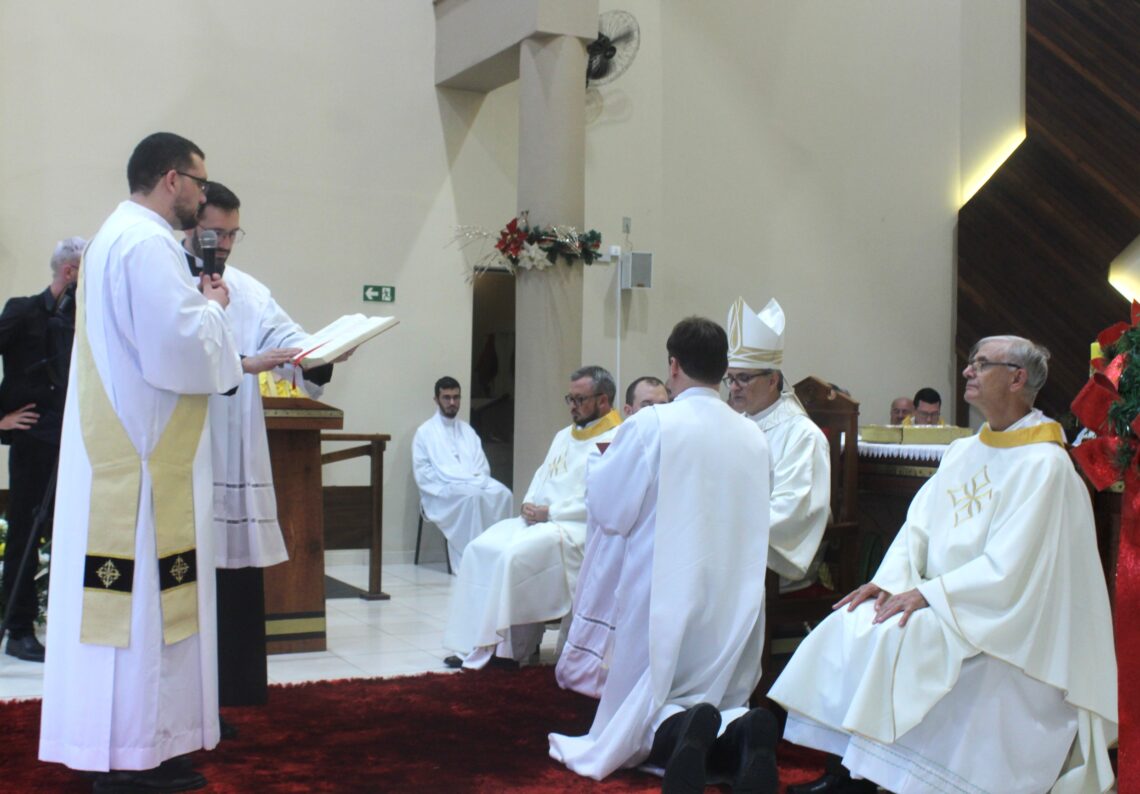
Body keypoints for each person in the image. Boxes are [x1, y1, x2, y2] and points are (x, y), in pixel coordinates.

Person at [770, 335, 1117, 794]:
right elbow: (917, 528)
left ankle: (874, 778)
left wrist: (931, 595)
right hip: (950, 600)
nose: (968, 371)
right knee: (856, 619)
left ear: (1017, 378)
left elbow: (1011, 571)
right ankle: (851, 771)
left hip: (1004, 624)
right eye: (970, 362)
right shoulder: (963, 451)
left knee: (906, 637)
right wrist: (890, 581)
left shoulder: (1045, 467)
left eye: (981, 364)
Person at [38, 132, 243, 792]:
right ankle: (134, 753)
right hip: (147, 471)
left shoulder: (111, 238)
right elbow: (177, 349)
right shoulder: (149, 243)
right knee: (142, 613)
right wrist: (212, 310)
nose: (203, 195)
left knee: (136, 613)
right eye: (199, 182)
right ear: (170, 179)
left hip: (129, 457)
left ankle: (138, 742)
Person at [549, 317, 778, 793]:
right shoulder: (753, 435)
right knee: (716, 690)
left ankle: (680, 730)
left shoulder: (653, 424)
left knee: (641, 708)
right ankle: (741, 728)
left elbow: (610, 509)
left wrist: (600, 466)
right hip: (734, 602)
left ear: (673, 366)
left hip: (663, 597)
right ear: (723, 371)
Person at [182, 182, 337, 716]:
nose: (223, 243)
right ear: (191, 224)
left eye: (232, 233)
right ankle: (190, 698)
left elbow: (289, 337)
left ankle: (238, 689)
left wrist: (321, 354)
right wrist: (244, 361)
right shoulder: (167, 279)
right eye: (214, 232)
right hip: (187, 446)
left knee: (237, 573)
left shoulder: (247, 289)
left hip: (236, 445)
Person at [442, 366, 622, 669]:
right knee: (479, 549)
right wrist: (528, 502)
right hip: (541, 521)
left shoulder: (616, 439)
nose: (572, 407)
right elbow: (542, 475)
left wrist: (550, 512)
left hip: (574, 529)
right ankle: (475, 643)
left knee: (514, 557)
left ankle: (509, 652)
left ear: (603, 401)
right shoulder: (564, 435)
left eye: (580, 400)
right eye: (570, 399)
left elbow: (603, 498)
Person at [555, 375, 669, 697]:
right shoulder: (608, 446)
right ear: (629, 410)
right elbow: (606, 507)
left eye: (664, 405)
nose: (658, 413)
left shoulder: (674, 443)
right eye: (649, 406)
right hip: (617, 548)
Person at [0, 237, 85, 662]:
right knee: (25, 534)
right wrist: (1, 421)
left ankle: (65, 621)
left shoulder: (83, 319)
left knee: (69, 533)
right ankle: (18, 629)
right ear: (70, 273)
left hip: (73, 442)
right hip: (34, 441)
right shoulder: (21, 311)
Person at [723, 297, 830, 591]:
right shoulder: (736, 425)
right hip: (732, 545)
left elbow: (791, 511)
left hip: (772, 560)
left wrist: (727, 528)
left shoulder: (802, 435)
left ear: (772, 380)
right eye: (730, 379)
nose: (733, 388)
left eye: (743, 378)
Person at [412, 376, 513, 572]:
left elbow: (482, 467)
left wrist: (472, 480)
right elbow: (423, 473)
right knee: (472, 498)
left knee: (504, 494)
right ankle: (472, 563)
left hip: (473, 482)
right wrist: (453, 485)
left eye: (456, 397)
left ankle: (496, 557)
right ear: (436, 400)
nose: (452, 403)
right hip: (440, 491)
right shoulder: (424, 433)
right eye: (447, 397)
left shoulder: (468, 431)